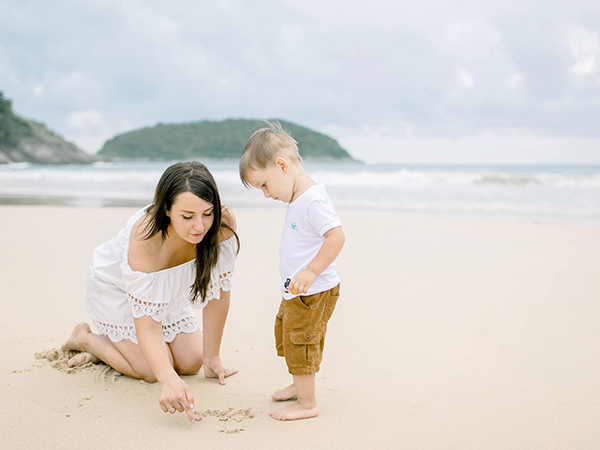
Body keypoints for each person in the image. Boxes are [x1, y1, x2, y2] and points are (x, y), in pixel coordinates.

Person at [63, 161, 239, 424]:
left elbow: (218, 294)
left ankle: (119, 349)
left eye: (207, 213)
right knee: (151, 370)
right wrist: (167, 381)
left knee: (191, 362)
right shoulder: (146, 239)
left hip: (165, 292)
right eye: (187, 216)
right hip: (117, 289)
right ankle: (87, 339)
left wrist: (212, 358)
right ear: (166, 209)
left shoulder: (222, 225)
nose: (200, 226)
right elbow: (147, 327)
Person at [239, 121, 345, 421]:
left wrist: (311, 272)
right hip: (297, 291)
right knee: (289, 336)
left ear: (282, 166)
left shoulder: (313, 200)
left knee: (303, 342)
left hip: (312, 291)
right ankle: (300, 385)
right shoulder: (300, 199)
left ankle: (308, 403)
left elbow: (336, 236)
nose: (266, 194)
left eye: (264, 185)